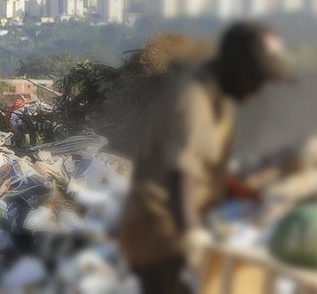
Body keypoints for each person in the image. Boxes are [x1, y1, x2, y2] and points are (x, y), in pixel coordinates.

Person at [118, 21, 294, 294]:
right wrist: (195, 241)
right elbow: (182, 177)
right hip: (161, 239)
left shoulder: (220, 98)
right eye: (257, 79)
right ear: (238, 68)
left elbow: (206, 167)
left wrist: (243, 192)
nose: (259, 90)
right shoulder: (194, 100)